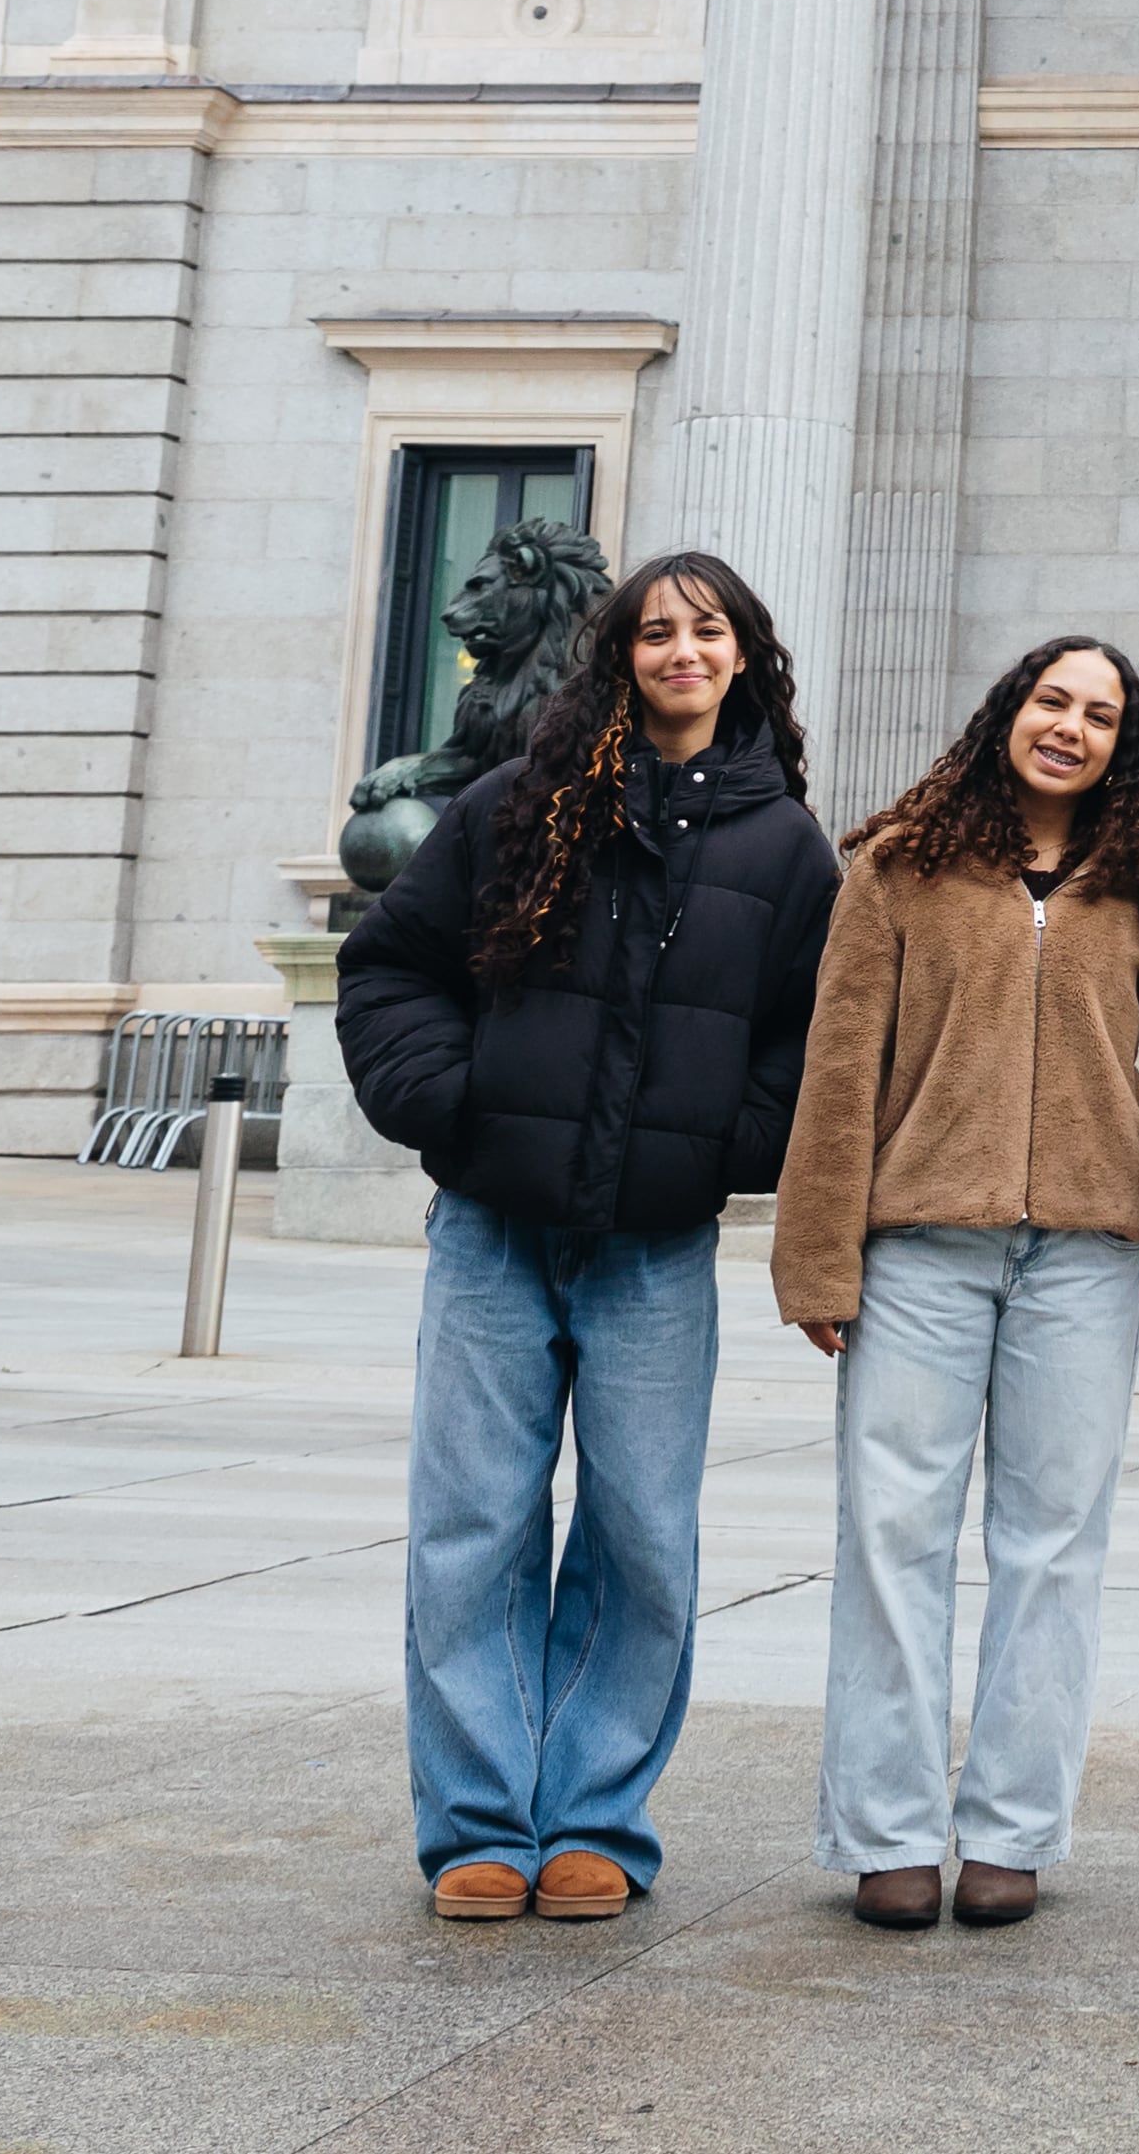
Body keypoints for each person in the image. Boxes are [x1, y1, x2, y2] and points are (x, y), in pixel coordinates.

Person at [337, 553, 840, 1928]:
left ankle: (594, 1818)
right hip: (491, 1230)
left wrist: (726, 1147)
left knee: (641, 1537)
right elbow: (389, 966)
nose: (682, 649)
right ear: (619, 653)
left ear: (743, 656)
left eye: (707, 630)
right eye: (655, 630)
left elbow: (813, 1039)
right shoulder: (518, 801)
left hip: (655, 1250)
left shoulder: (787, 847)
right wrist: (452, 1103)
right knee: (472, 1525)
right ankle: (480, 1824)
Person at [775, 633, 1139, 1932]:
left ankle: (1012, 1830)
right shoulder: (897, 866)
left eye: (1099, 714)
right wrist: (818, 1255)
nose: (1069, 725)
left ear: (1122, 745)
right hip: (918, 1247)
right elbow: (839, 1069)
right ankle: (887, 1832)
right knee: (890, 1534)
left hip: (1085, 1253)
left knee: (1054, 1543)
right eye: (1051, 700)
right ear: (1008, 711)